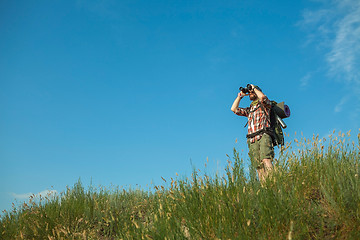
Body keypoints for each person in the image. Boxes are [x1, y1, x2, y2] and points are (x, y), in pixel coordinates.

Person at [230, 84, 274, 182]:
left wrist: (254, 88)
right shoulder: (250, 109)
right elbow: (234, 109)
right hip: (252, 138)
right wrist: (240, 96)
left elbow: (262, 97)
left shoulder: (265, 104)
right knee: (258, 166)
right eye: (250, 93)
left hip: (264, 135)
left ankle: (273, 183)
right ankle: (264, 187)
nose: (250, 94)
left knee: (266, 159)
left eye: (252, 92)